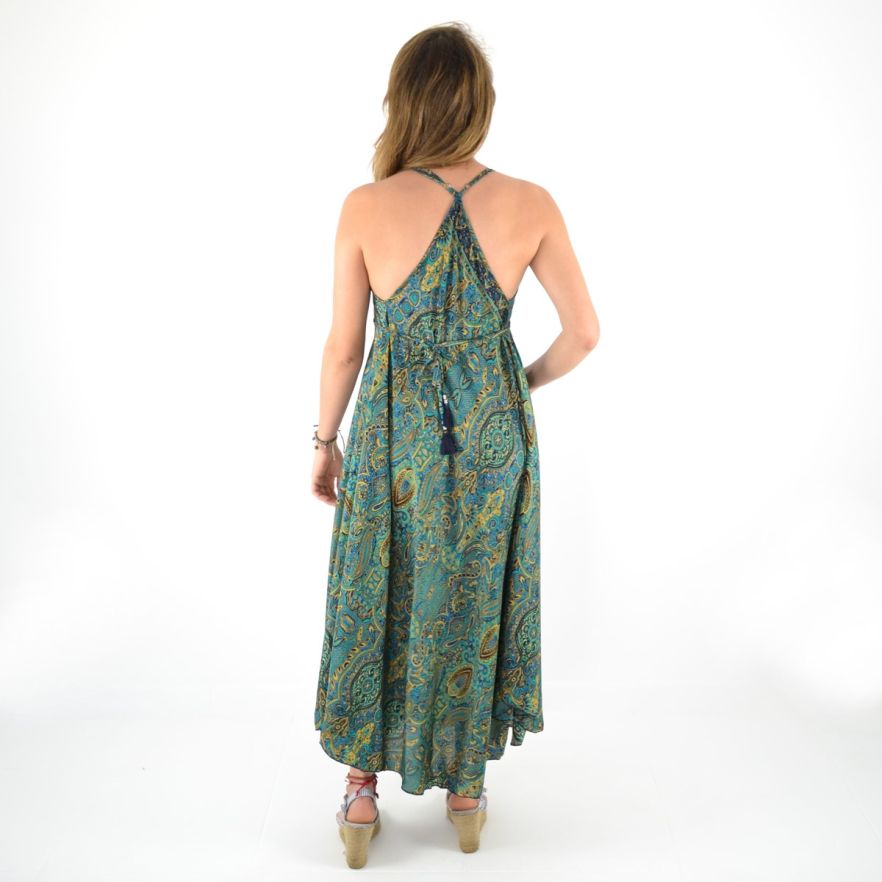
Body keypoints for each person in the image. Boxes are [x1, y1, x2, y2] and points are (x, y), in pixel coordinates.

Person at [310, 21, 599, 868]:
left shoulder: (366, 207)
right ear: (480, 104)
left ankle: (361, 794)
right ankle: (466, 794)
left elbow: (344, 349)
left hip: (393, 435)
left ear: (402, 102)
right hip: (494, 442)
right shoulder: (532, 203)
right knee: (472, 595)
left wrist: (323, 441)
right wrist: (513, 390)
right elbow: (583, 333)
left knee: (378, 587)